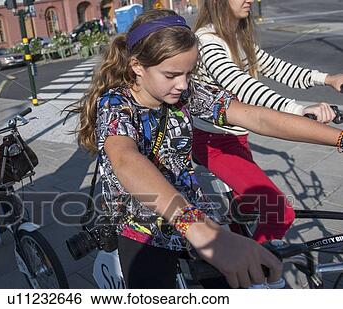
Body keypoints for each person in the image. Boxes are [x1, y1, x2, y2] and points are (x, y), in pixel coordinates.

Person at [75, 9, 343, 288]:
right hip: (144, 228)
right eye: (171, 74)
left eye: (189, 73)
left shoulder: (184, 91)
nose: (183, 84)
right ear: (137, 66)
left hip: (192, 211)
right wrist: (198, 228)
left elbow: (257, 117)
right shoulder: (115, 104)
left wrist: (338, 138)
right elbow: (125, 159)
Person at [192, 0, 343, 243]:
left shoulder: (236, 36)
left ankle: (232, 241)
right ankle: (256, 273)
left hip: (237, 138)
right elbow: (242, 85)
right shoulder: (208, 41)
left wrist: (327, 78)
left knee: (247, 206)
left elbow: (276, 68)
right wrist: (298, 109)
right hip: (214, 143)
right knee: (279, 212)